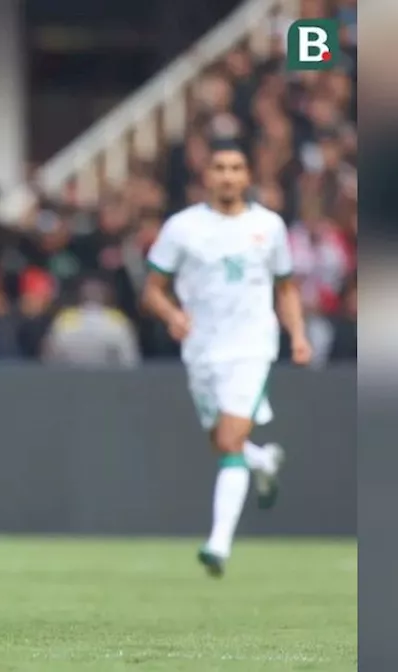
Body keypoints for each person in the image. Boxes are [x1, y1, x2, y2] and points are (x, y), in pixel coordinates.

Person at [142, 139, 311, 578]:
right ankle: (264, 461)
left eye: (236, 167)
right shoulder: (182, 228)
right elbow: (152, 290)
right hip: (202, 349)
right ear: (207, 176)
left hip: (252, 345)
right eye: (220, 168)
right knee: (222, 440)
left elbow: (286, 286)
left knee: (230, 442)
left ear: (248, 176)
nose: (228, 176)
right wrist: (172, 315)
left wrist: (298, 335)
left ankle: (218, 544)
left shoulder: (269, 227)